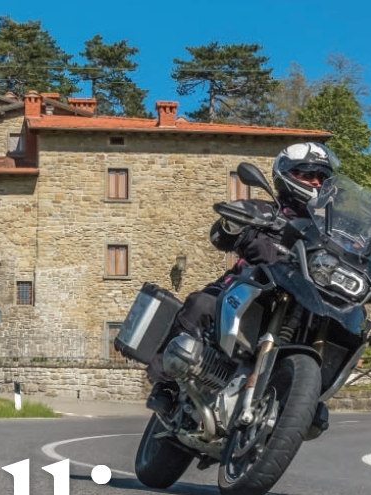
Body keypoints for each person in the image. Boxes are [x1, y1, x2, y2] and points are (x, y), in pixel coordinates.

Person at [145, 141, 340, 415]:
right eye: (307, 174)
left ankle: (302, 403)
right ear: (286, 174)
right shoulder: (264, 210)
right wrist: (235, 225)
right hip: (248, 290)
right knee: (201, 304)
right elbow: (219, 235)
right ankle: (164, 385)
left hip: (301, 303)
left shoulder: (328, 229)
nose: (316, 182)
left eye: (321, 177)